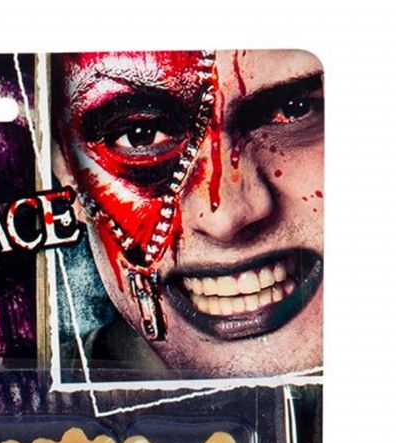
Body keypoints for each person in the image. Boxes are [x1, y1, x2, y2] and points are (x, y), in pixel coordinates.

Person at [52, 50, 323, 379]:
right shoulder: (7, 398)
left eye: (294, 109)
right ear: (66, 170)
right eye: (141, 135)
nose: (224, 218)